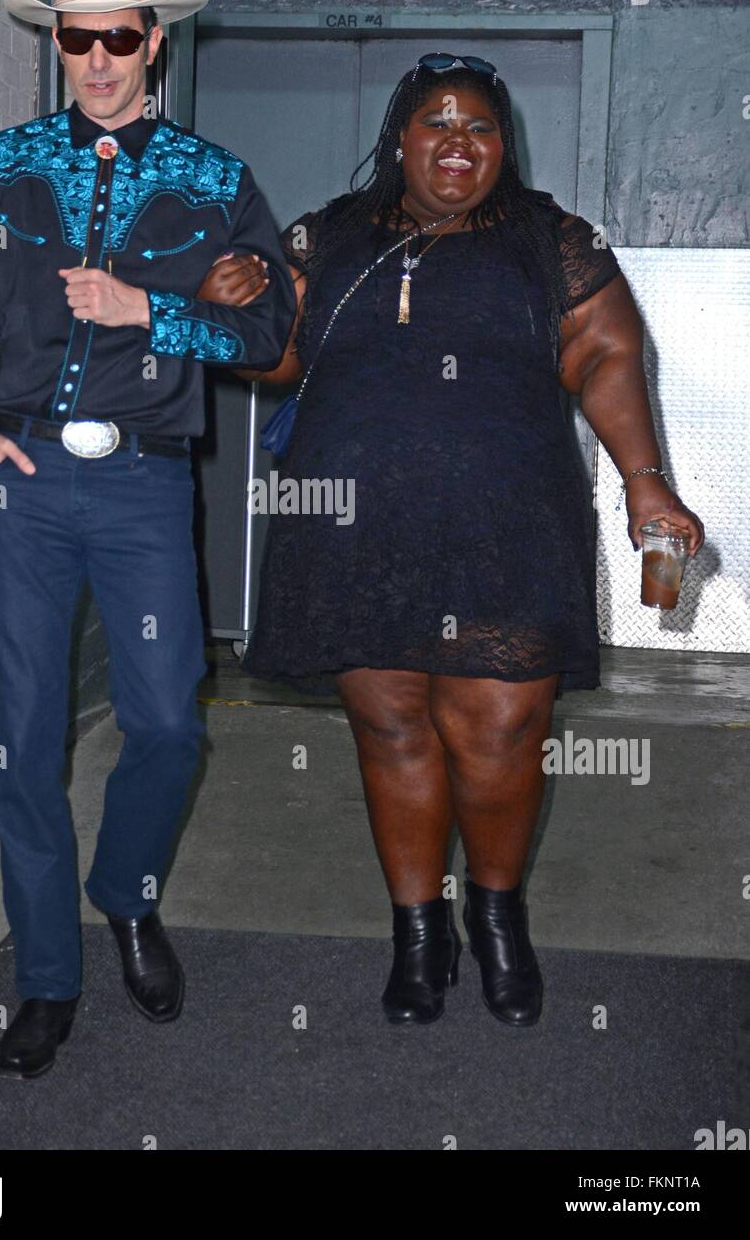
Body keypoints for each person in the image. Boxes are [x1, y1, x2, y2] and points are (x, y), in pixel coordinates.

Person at [238, 53, 704, 1028]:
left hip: (508, 521)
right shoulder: (328, 234)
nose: (457, 143)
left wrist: (645, 484)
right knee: (390, 726)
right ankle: (417, 932)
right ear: (398, 138)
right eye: (435, 124)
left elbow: (608, 354)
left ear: (504, 143)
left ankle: (496, 919)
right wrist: (236, 300)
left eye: (479, 127)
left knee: (499, 733)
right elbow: (274, 360)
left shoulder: (550, 239)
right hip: (358, 527)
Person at [0, 0, 295, 1078]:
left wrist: (147, 311)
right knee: (22, 746)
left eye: (118, 37)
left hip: (139, 483)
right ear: (56, 41)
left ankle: (126, 892)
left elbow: (270, 335)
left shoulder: (216, 181)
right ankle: (42, 979)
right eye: (77, 38)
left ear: (152, 40)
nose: (98, 59)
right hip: (19, 483)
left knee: (168, 720)